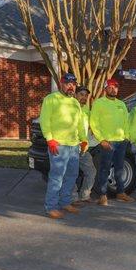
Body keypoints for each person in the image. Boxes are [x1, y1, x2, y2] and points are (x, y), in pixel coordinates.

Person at [39, 72, 88, 219]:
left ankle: (65, 202)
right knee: (56, 177)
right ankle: (51, 207)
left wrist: (84, 139)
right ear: (61, 84)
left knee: (72, 175)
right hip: (58, 145)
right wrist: (50, 139)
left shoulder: (75, 103)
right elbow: (44, 120)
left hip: (74, 146)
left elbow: (79, 123)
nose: (71, 86)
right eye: (68, 83)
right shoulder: (51, 99)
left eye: (73, 84)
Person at [90, 78, 133, 205]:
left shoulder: (121, 104)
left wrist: (127, 137)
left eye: (115, 87)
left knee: (119, 168)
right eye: (110, 87)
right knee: (104, 169)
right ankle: (102, 196)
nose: (113, 89)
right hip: (107, 142)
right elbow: (94, 123)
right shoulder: (99, 103)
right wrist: (102, 139)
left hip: (121, 142)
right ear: (105, 89)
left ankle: (121, 193)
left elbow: (126, 122)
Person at [72, 86, 96, 205]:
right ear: (75, 95)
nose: (84, 97)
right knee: (72, 172)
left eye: (86, 95)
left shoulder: (86, 109)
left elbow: (92, 122)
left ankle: (85, 195)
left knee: (91, 171)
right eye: (81, 94)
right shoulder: (70, 107)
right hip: (71, 145)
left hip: (83, 146)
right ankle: (73, 198)